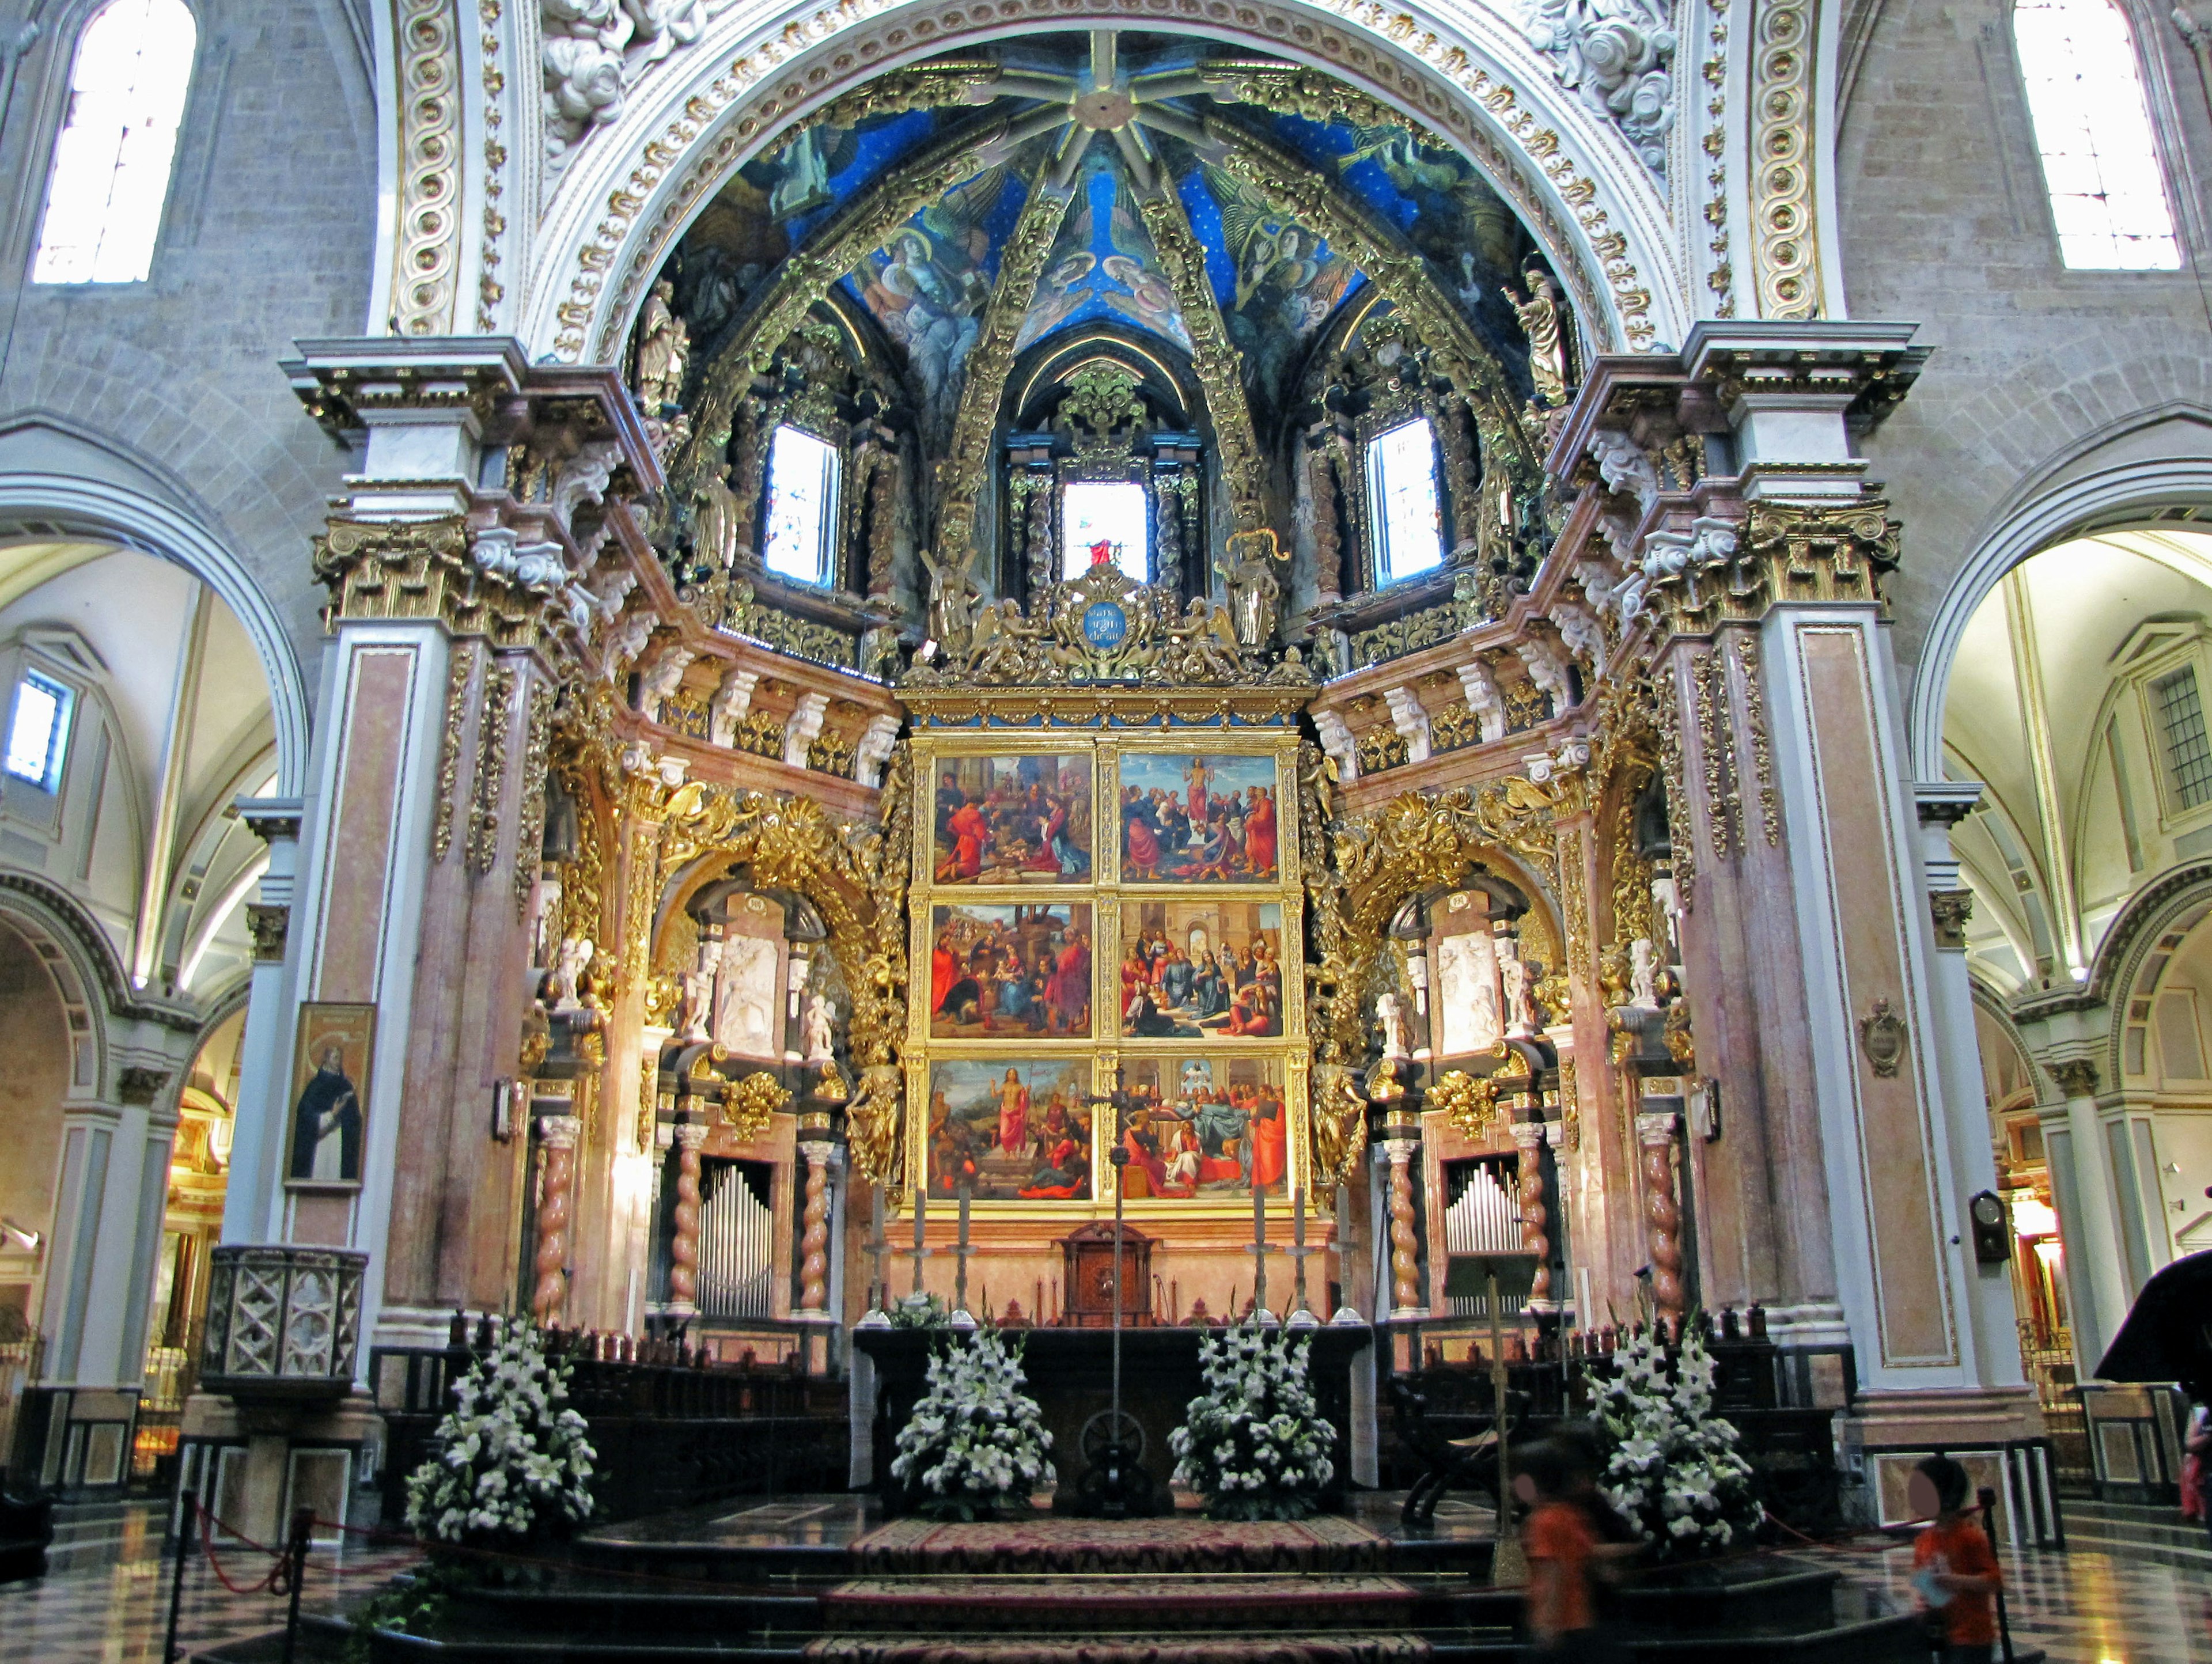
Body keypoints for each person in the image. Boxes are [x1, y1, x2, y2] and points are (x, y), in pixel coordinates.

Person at [1517, 1439, 1624, 1661]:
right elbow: (1591, 1555)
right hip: (1581, 1619)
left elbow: (1552, 1572)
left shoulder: (1542, 1521)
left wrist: (1547, 1622)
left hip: (1559, 1625)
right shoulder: (1571, 1514)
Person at [1908, 1453, 2001, 1664]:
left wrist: (1954, 1580)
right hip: (1941, 1633)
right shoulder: (1924, 1540)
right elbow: (1919, 1580)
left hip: (1972, 1637)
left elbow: (1995, 1581)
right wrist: (1921, 1602)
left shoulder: (1969, 1537)